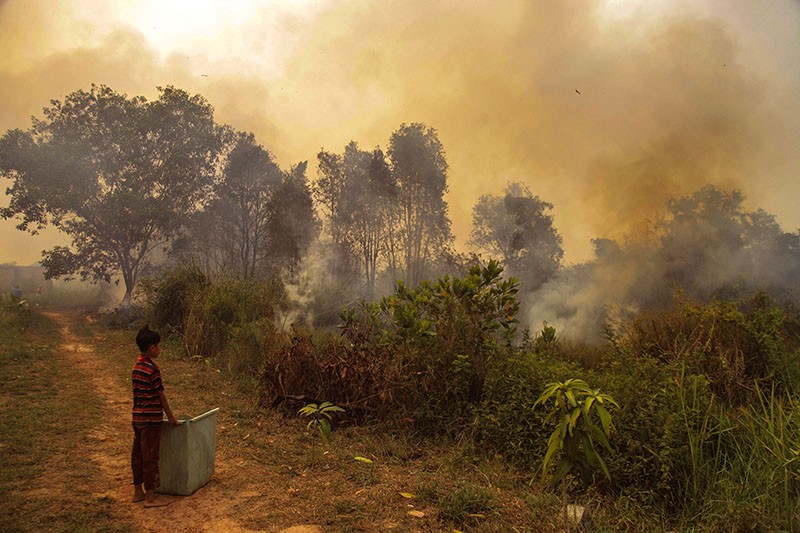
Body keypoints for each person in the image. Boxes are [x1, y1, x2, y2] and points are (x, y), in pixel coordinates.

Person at [131, 325, 178, 507]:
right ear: (152, 348)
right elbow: (161, 395)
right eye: (159, 346)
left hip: (137, 418)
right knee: (150, 456)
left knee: (137, 455)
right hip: (151, 420)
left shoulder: (136, 367)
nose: (160, 349)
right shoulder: (152, 369)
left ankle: (138, 492)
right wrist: (171, 417)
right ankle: (150, 497)